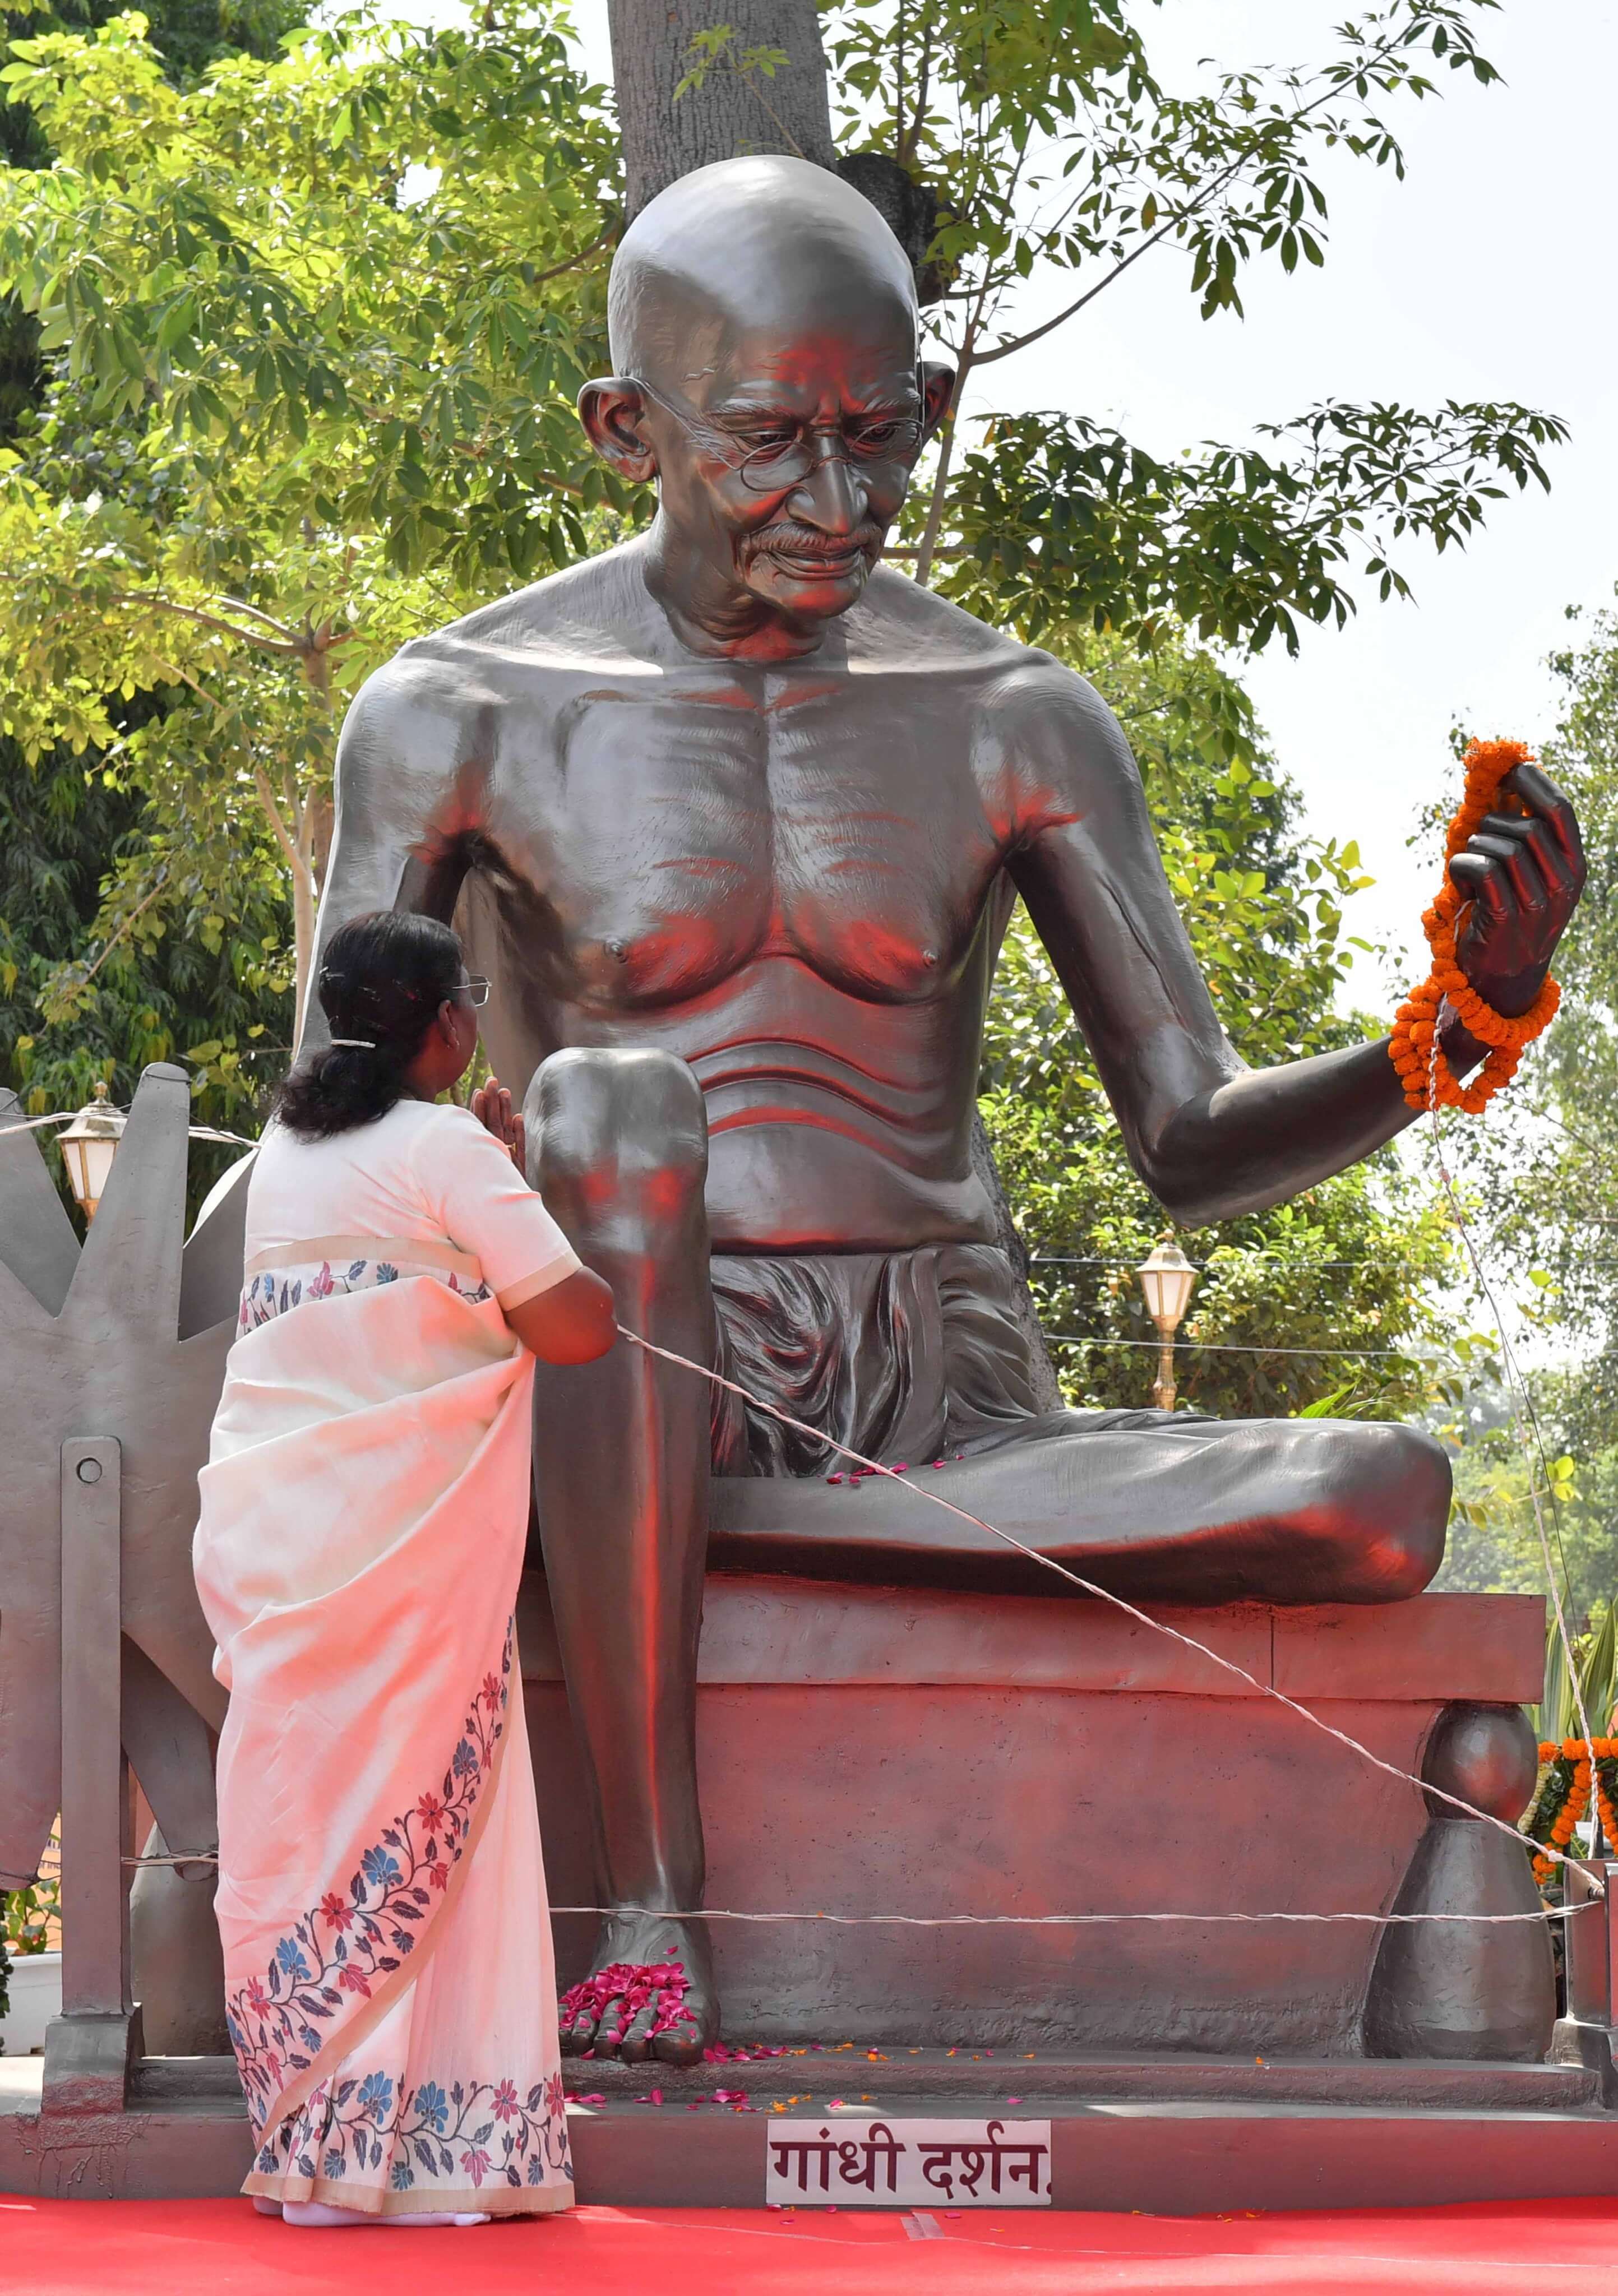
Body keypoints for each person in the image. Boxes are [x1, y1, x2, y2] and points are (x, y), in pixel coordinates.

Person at [304, 155, 1587, 2061]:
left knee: (1382, 1491)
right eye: (766, 443)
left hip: (938, 1398)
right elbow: (326, 1117)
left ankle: (727, 1528)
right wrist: (483, 1181)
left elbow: (1188, 1138)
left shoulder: (1011, 713)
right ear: (622, 428)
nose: (834, 503)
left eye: (879, 435)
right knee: (619, 1115)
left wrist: (1447, 1029)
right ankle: (649, 1897)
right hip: (610, 1329)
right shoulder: (457, 708)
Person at [193, 911, 616, 2226]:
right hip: (411, 1551)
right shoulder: (444, 1147)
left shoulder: (283, 1153)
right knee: (444, 1824)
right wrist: (507, 1173)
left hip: (284, 1540)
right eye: (469, 999)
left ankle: (318, 2144)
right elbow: (577, 1322)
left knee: (311, 1819)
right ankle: (441, 2163)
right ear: (441, 1021)